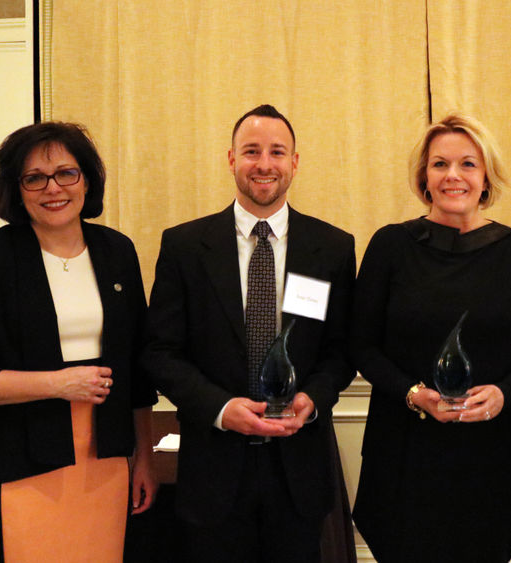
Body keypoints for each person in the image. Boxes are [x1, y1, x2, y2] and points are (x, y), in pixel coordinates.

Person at [0, 122, 158, 562]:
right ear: (17, 189)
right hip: (14, 461)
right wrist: (56, 384)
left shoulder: (117, 252)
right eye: (35, 178)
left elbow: (137, 370)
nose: (53, 188)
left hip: (105, 459)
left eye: (66, 173)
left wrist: (143, 457)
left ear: (87, 180)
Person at [141, 104, 356, 562]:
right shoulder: (184, 247)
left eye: (277, 152)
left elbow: (340, 351)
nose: (264, 164)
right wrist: (220, 408)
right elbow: (160, 352)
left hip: (298, 467)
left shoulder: (333, 248)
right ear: (231, 159)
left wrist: (311, 400)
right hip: (214, 467)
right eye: (251, 151)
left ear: (295, 162)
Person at [350, 113, 511, 562]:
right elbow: (361, 345)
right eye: (440, 164)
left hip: (492, 449)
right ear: (424, 176)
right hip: (406, 446)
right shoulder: (390, 246)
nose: (453, 176)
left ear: (486, 177)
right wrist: (414, 393)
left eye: (467, 164)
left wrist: (504, 393)